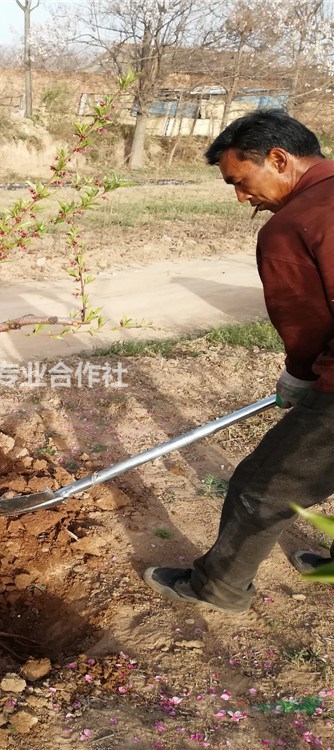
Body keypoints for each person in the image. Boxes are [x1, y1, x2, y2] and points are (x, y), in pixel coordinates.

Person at [143, 109, 334, 614]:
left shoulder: (293, 227)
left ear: (278, 158)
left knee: (261, 489)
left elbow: (308, 324)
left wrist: (299, 375)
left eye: (241, 181)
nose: (241, 197)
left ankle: (217, 588)